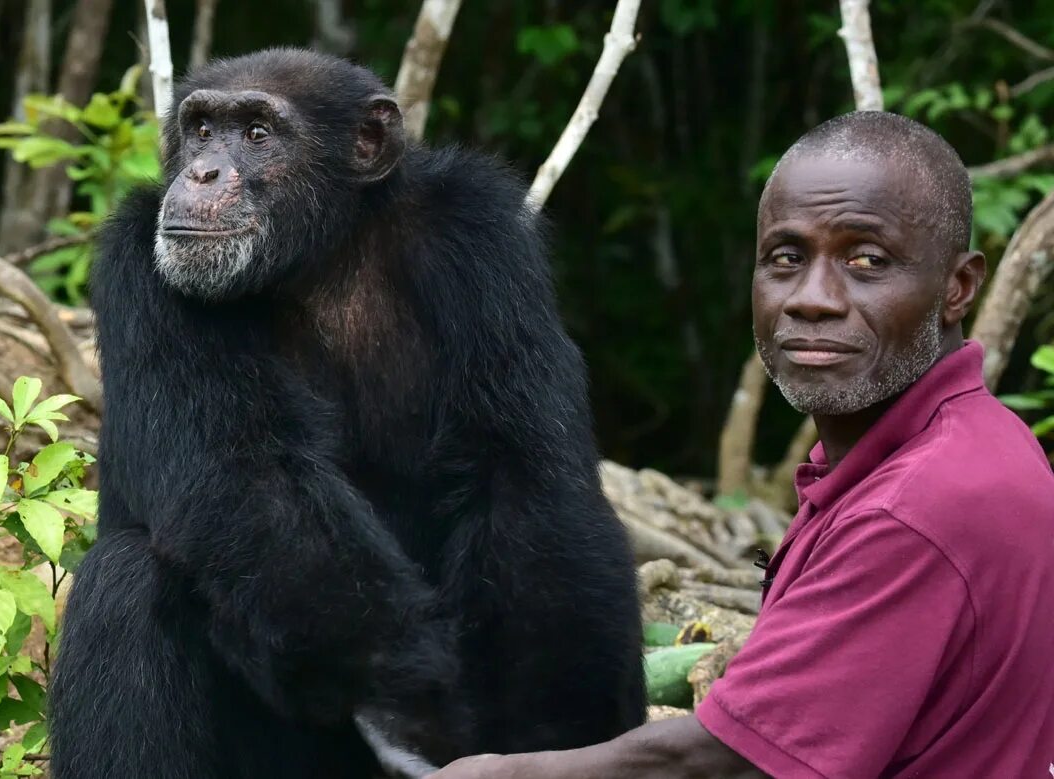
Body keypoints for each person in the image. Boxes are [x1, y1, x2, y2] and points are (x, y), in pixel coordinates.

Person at [431, 111, 1054, 778]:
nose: (811, 299)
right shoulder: (945, 446)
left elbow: (729, 764)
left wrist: (494, 773)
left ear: (958, 287)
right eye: (786, 257)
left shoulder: (919, 505)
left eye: (866, 260)